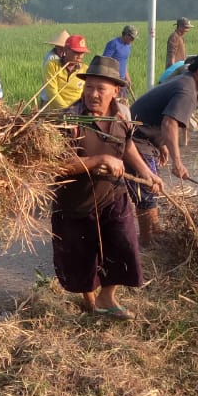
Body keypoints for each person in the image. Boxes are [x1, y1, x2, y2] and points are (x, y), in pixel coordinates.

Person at [54, 56, 162, 318]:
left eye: (100, 88)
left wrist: (147, 172)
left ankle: (107, 297)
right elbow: (57, 166)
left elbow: (127, 146)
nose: (92, 94)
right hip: (75, 202)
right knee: (82, 258)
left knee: (124, 243)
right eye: (88, 87)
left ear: (116, 90)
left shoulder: (123, 114)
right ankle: (91, 302)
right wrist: (98, 161)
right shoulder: (69, 118)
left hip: (113, 194)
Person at [129, 51, 198, 246]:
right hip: (135, 139)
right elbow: (169, 123)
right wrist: (178, 162)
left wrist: (161, 144)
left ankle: (154, 230)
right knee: (148, 187)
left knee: (152, 185)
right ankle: (147, 242)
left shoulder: (185, 82)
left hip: (144, 138)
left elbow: (159, 118)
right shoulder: (187, 89)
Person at [43, 34, 89, 110]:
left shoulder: (85, 70)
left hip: (76, 114)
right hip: (54, 114)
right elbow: (51, 91)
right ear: (66, 50)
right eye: (76, 52)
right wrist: (66, 110)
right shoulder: (52, 65)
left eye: (82, 53)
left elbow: (86, 94)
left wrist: (75, 111)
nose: (80, 56)